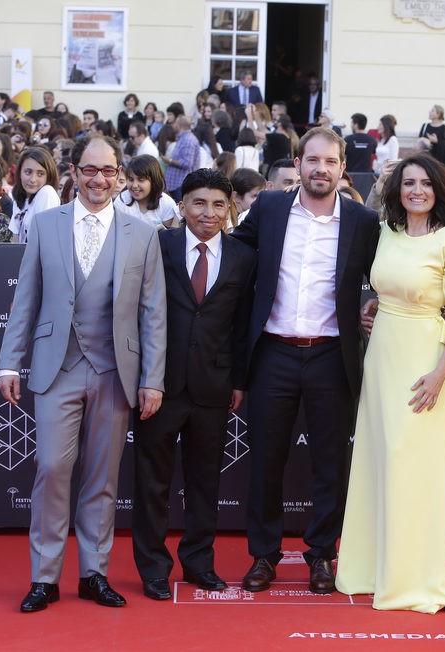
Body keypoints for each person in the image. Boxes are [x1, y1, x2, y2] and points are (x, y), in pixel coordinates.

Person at [0, 135, 167, 613]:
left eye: (109, 171)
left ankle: (94, 573)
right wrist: (9, 361)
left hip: (115, 372)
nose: (99, 179)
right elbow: (25, 299)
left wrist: (151, 377)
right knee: (51, 470)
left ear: (120, 176)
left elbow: (153, 313)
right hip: (57, 368)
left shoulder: (143, 234)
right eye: (90, 170)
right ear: (74, 172)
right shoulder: (46, 226)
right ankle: (44, 577)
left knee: (102, 477)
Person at [230, 127, 379, 596]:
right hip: (272, 351)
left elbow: (382, 275)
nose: (320, 169)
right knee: (266, 463)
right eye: (311, 160)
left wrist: (371, 300)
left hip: (332, 356)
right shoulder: (270, 209)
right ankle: (263, 556)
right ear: (297, 165)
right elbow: (233, 256)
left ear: (341, 168)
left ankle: (321, 556)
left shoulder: (361, 220)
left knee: (331, 465)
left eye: (330, 162)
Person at [336, 154, 445, 613]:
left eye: (425, 183)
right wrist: (374, 306)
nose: (416, 190)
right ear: (396, 190)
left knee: (410, 463)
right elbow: (383, 287)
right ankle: (372, 567)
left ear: (438, 190)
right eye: (407, 183)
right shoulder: (388, 233)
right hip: (382, 355)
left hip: (423, 358)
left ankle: (412, 576)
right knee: (377, 457)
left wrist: (440, 372)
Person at [132, 168, 256, 601]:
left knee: (206, 482)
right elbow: (138, 313)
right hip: (159, 385)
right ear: (181, 206)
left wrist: (239, 380)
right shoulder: (156, 245)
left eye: (219, 204)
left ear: (229, 209)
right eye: (199, 203)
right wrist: (145, 376)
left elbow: (242, 327)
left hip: (214, 384)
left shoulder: (243, 256)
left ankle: (200, 564)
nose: (209, 212)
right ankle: (152, 568)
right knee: (152, 482)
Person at [9, 147, 60, 244]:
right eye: (28, 172)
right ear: (19, 172)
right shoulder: (20, 196)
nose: (33, 179)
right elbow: (15, 239)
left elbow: (43, 242)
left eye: (40, 174)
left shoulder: (47, 193)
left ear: (49, 176)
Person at [114, 154, 181, 229]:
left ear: (154, 180)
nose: (134, 185)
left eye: (141, 180)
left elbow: (170, 236)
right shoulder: (122, 200)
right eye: (131, 179)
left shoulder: (166, 204)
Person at [163, 116, 200, 200]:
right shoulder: (182, 138)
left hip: (181, 185)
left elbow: (187, 163)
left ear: (178, 125)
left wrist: (169, 160)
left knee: (181, 211)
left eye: (175, 123)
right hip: (176, 185)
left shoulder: (188, 140)